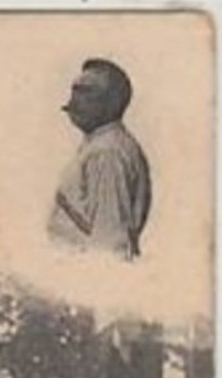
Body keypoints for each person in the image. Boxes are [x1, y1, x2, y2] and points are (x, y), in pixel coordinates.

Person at [48, 58, 152, 261]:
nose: (73, 100)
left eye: (86, 92)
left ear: (111, 103)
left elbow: (109, 244)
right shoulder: (101, 143)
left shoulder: (107, 152)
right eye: (74, 90)